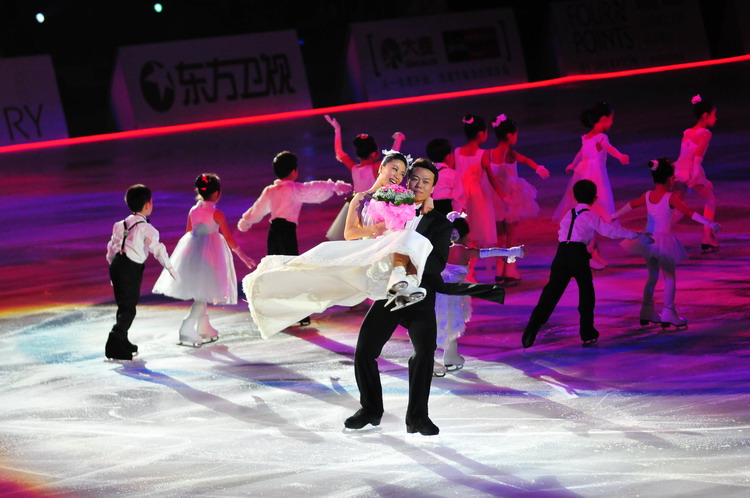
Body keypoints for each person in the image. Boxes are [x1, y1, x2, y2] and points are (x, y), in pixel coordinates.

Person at [241, 152, 433, 338]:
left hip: (389, 256)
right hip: (370, 253)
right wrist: (379, 227)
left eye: (402, 173)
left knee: (413, 240)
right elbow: (350, 233)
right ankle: (400, 286)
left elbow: (418, 204)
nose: (397, 176)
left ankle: (400, 286)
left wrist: (428, 199)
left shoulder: (400, 199)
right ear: (381, 168)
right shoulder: (362, 198)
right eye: (394, 169)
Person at [345, 159, 452, 436]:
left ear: (433, 189)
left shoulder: (438, 221)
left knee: (425, 352)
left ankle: (417, 416)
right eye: (414, 179)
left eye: (425, 182)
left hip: (419, 294)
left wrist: (407, 262)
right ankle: (370, 409)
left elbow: (438, 263)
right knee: (364, 352)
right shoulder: (388, 206)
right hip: (388, 294)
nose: (418, 185)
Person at [522, 180, 653, 348]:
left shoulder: (568, 214)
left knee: (551, 292)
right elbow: (610, 231)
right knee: (586, 292)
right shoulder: (590, 215)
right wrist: (636, 235)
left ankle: (533, 326)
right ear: (595, 198)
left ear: (575, 196)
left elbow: (562, 233)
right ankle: (587, 331)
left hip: (561, 253)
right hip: (578, 254)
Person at [237, 151, 352, 325]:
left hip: (274, 233)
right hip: (286, 233)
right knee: (291, 270)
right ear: (294, 171)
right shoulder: (294, 189)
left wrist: (246, 221)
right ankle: (297, 314)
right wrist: (334, 186)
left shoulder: (270, 190)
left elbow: (257, 209)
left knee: (275, 271)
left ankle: (277, 311)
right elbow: (313, 189)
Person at [613, 158, 721, 328]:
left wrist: (615, 215)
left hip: (648, 240)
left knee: (652, 277)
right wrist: (710, 223)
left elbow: (631, 205)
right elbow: (690, 213)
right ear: (670, 179)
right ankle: (668, 312)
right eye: (673, 178)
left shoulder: (648, 195)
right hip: (663, 241)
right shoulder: (671, 197)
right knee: (669, 277)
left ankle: (647, 310)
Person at [153, 174, 256, 346]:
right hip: (209, 257)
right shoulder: (217, 213)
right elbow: (229, 239)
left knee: (203, 291)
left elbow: (188, 232)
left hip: (193, 254)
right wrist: (243, 256)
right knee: (203, 294)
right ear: (217, 193)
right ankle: (186, 327)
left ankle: (203, 326)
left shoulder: (193, 210)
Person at [433, 213, 524, 376]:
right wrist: (513, 251)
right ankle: (447, 358)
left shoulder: (442, 249)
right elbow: (491, 252)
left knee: (439, 323)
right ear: (464, 234)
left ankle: (448, 357)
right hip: (453, 295)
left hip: (438, 293)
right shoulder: (467, 252)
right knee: (450, 324)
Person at [553, 102, 630, 270]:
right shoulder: (600, 137)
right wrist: (620, 156)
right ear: (603, 119)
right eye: (611, 119)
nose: (611, 123)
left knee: (595, 215)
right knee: (598, 214)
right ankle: (588, 252)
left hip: (585, 174)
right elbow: (608, 149)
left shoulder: (587, 137)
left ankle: (593, 251)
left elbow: (580, 154)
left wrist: (573, 165)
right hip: (595, 177)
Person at [105, 184, 178, 361]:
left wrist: (112, 271)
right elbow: (158, 250)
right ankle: (113, 343)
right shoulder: (147, 229)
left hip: (117, 264)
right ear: (147, 205)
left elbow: (111, 247)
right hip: (130, 268)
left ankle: (122, 339)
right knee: (129, 308)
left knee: (124, 306)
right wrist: (171, 269)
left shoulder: (120, 224)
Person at [483, 114, 549, 285]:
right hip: (511, 197)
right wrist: (538, 167)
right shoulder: (510, 154)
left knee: (499, 234)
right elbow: (525, 160)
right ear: (510, 135)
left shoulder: (489, 154)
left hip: (496, 196)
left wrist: (537, 167)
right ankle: (510, 270)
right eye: (516, 134)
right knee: (511, 234)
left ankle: (500, 270)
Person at [323, 114, 405, 240]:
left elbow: (339, 152)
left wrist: (337, 129)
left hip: (356, 205)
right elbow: (392, 156)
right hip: (372, 207)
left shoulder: (354, 168)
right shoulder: (375, 168)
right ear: (374, 154)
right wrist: (398, 139)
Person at [454, 114, 508, 281]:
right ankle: (469, 272)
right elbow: (491, 178)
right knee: (475, 235)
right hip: (477, 197)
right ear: (480, 134)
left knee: (465, 233)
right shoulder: (483, 154)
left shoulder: (457, 152)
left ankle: (468, 271)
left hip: (461, 195)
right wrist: (503, 197)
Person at [671, 94, 719, 253]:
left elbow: (684, 156)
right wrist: (698, 178)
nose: (716, 118)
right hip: (692, 170)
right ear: (705, 116)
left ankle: (657, 234)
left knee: (679, 208)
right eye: (714, 115)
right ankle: (707, 237)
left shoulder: (687, 132)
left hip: (680, 169)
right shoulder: (705, 133)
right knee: (710, 199)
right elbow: (697, 160)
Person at [426, 138, 465, 215]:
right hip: (446, 211)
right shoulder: (453, 174)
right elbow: (458, 197)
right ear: (447, 156)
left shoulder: (425, 173)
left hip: (428, 211)